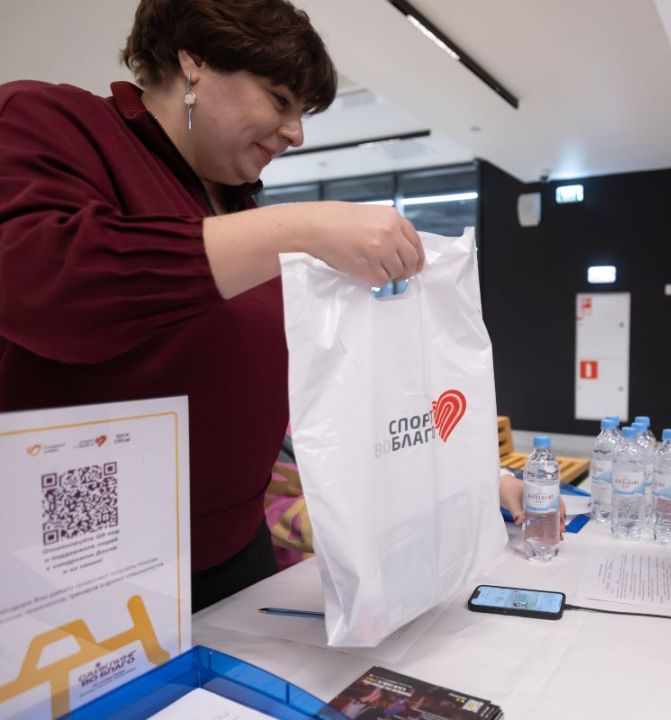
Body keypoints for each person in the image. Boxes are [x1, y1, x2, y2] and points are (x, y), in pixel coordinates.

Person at [0, 0, 425, 611]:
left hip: (234, 547)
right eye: (280, 100)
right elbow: (44, 283)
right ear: (194, 63)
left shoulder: (233, 203)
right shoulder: (53, 120)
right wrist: (299, 228)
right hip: (87, 558)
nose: (296, 133)